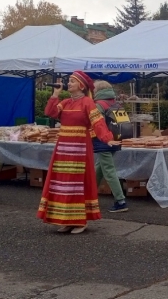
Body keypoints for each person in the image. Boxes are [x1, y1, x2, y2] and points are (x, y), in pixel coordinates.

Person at [38, 71, 118, 234]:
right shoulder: (66, 102)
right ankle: (66, 220)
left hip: (80, 148)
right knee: (63, 184)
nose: (69, 83)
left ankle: (80, 221)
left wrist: (107, 138)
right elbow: (50, 113)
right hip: (63, 149)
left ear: (81, 85)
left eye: (72, 81)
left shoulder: (88, 103)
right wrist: (55, 94)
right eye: (69, 81)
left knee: (77, 184)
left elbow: (98, 123)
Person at [92, 80, 128, 213]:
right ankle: (89, 194)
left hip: (104, 141)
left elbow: (97, 124)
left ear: (98, 91)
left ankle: (121, 201)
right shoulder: (116, 103)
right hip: (117, 139)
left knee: (108, 170)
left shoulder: (98, 105)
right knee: (100, 167)